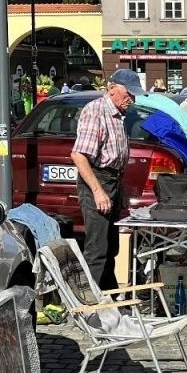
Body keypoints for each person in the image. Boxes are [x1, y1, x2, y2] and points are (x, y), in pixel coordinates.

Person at [71, 69, 136, 290]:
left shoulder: (118, 116)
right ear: (112, 89)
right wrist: (98, 191)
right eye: (128, 93)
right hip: (97, 181)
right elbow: (79, 155)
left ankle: (108, 297)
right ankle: (93, 302)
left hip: (112, 181)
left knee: (111, 246)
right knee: (98, 247)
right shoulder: (96, 112)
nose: (132, 99)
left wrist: (120, 192)